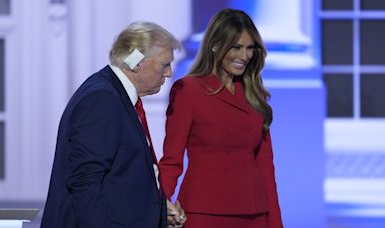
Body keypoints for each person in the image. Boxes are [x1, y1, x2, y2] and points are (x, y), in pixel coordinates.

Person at [41, 21, 185, 228]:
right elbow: (85, 182)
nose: (169, 73)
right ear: (137, 62)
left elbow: (121, 178)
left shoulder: (115, 96)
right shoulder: (102, 99)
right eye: (164, 64)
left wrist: (158, 211)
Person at [159, 8, 284, 228]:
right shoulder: (188, 91)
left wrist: (275, 223)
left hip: (254, 214)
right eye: (236, 47)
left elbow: (265, 168)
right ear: (215, 45)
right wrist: (156, 209)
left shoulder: (254, 95)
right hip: (205, 211)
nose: (244, 56)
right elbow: (172, 160)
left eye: (249, 48)